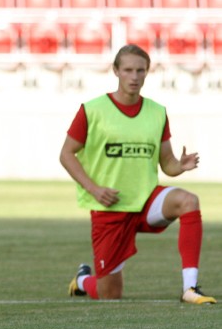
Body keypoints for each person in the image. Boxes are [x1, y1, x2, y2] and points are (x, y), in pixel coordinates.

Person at [60, 44, 215, 305]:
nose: (134, 76)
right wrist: (94, 189)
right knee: (111, 294)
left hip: (146, 201)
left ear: (147, 73)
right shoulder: (92, 110)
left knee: (189, 201)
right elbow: (66, 154)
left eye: (140, 70)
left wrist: (181, 165)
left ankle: (190, 289)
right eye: (128, 70)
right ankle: (84, 280)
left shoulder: (156, 112)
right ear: (116, 71)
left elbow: (167, 163)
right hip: (109, 207)